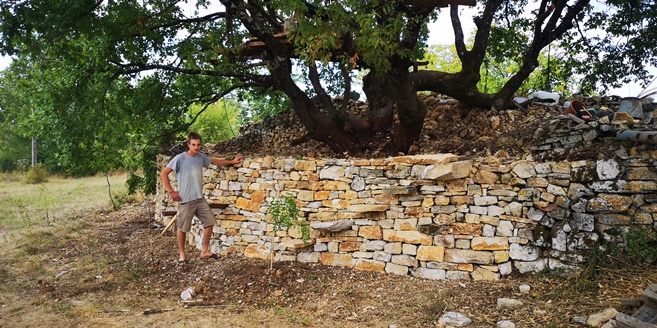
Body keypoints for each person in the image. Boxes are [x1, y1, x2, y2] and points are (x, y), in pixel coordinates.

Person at [161, 132, 243, 266]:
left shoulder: (201, 157)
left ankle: (204, 251)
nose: (196, 147)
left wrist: (232, 162)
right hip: (185, 200)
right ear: (188, 145)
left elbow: (214, 161)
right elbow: (164, 173)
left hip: (200, 198)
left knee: (209, 222)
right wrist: (171, 192)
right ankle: (182, 255)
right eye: (193, 145)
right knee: (182, 228)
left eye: (198, 145)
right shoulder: (180, 158)